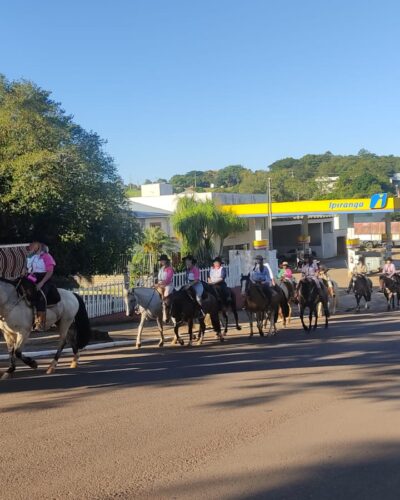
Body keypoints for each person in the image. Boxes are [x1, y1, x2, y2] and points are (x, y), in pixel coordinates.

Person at [26, 240, 56, 331]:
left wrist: (41, 283)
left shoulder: (47, 256)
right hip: (33, 277)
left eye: (33, 244)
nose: (31, 245)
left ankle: (40, 323)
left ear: (39, 245)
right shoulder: (32, 256)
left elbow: (50, 271)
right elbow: (28, 268)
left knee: (41, 297)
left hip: (44, 278)